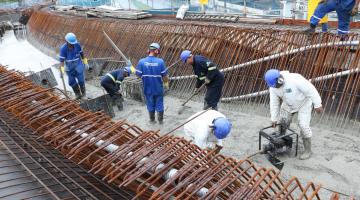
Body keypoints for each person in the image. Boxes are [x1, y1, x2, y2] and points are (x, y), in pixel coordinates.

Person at [264, 69, 323, 160]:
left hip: (304, 103)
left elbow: (311, 90)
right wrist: (274, 118)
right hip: (288, 104)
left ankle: (308, 151)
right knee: (283, 123)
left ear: (280, 79)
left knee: (303, 126)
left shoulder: (295, 79)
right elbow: (274, 103)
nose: (275, 87)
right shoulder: (273, 88)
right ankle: (280, 142)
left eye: (276, 85)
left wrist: (317, 104)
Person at [136, 43, 169, 124]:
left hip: (147, 89)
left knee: (150, 104)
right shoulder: (160, 62)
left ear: (148, 51)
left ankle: (152, 120)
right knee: (159, 104)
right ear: (157, 51)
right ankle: (160, 121)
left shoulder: (141, 62)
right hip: (158, 89)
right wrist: (166, 84)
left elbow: (138, 76)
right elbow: (165, 77)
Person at [59, 32, 91, 100]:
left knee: (81, 81)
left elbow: (82, 54)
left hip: (78, 65)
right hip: (69, 68)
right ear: (67, 41)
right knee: (71, 82)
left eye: (73, 43)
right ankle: (78, 94)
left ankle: (84, 94)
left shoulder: (77, 45)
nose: (73, 44)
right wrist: (61, 71)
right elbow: (61, 61)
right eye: (71, 43)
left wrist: (85, 62)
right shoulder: (63, 49)